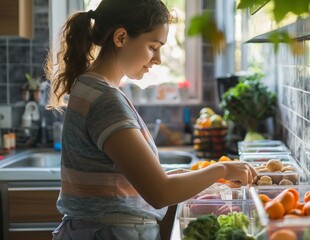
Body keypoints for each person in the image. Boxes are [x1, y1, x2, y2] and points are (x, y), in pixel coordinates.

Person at [44, 0, 257, 239]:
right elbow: (159, 193)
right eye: (153, 46)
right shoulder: (106, 100)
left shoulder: (90, 86)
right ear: (121, 37)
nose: (158, 59)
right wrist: (224, 168)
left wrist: (199, 176)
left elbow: (134, 181)